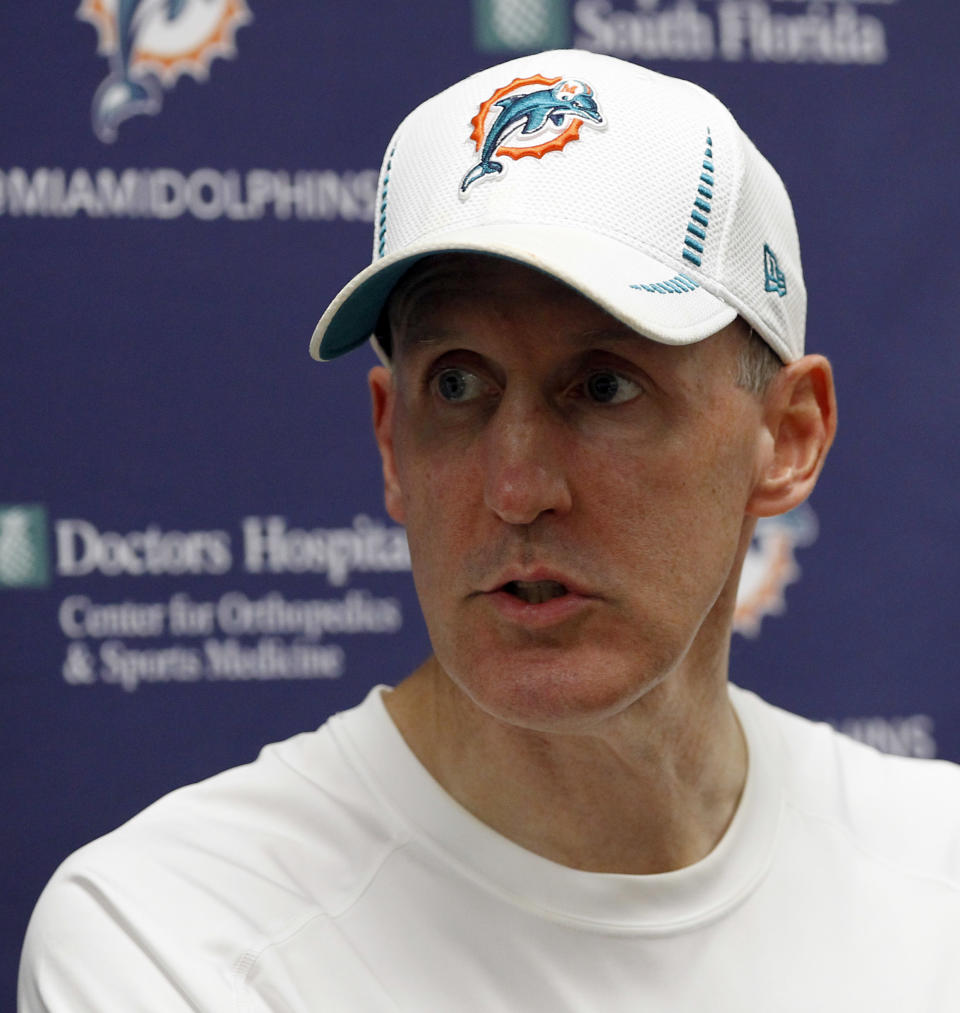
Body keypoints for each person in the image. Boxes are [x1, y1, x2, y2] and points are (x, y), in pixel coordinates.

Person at [19, 50, 960, 1012]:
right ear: (391, 440)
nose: (517, 488)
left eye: (605, 386)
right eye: (457, 384)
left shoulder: (939, 878)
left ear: (788, 438)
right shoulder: (171, 940)